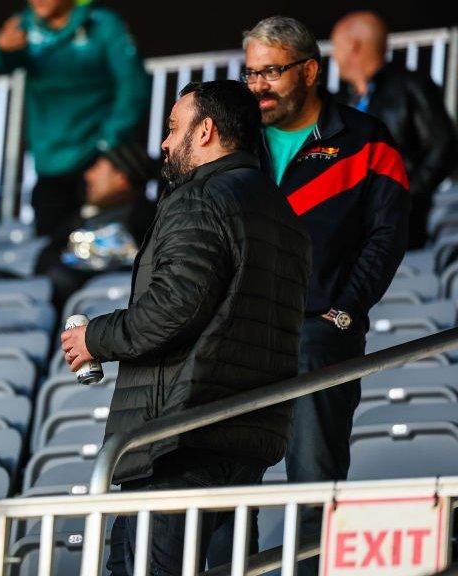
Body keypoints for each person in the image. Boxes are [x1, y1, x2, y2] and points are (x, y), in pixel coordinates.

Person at [60, 80, 311, 575]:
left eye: (174, 128)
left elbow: (174, 308)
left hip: (179, 438)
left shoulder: (200, 199)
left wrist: (93, 338)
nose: (165, 144)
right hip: (244, 435)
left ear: (206, 131)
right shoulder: (278, 209)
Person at [242, 16, 410, 574]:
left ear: (310, 70)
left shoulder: (367, 139)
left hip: (318, 329)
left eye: (271, 71)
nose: (258, 85)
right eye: (250, 74)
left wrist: (346, 310)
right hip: (237, 331)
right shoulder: (233, 143)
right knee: (221, 473)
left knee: (314, 477)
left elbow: (388, 236)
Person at [0, 0, 149, 237]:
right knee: (51, 245)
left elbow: (133, 86)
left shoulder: (103, 24)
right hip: (49, 160)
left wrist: (111, 139)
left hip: (97, 154)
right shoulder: (24, 25)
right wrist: (0, 47)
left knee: (109, 237)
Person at [331, 10, 458, 248]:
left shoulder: (410, 86)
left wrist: (407, 195)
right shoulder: (342, 100)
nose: (334, 56)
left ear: (353, 46)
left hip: (396, 230)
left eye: (337, 47)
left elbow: (445, 145)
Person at [35, 142, 157, 310]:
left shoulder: (141, 221)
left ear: (121, 177)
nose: (88, 176)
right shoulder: (88, 215)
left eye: (97, 167)